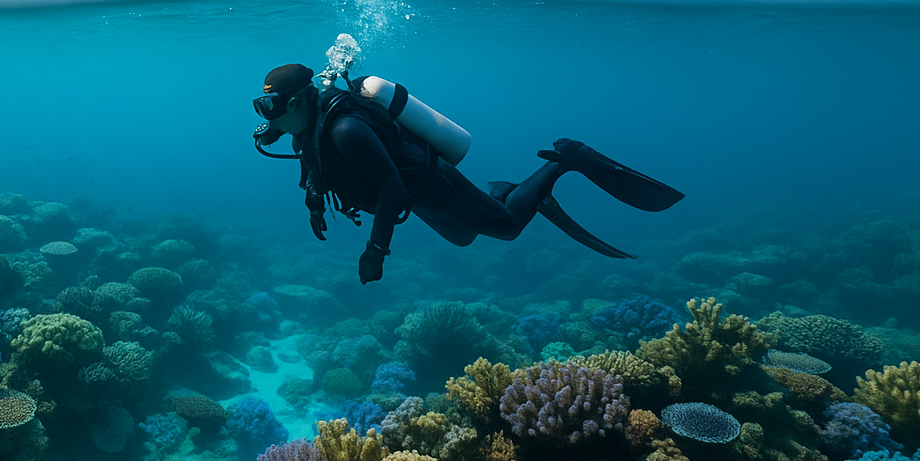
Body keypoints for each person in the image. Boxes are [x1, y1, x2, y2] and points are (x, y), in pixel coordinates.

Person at [252, 63, 684, 284]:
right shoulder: (304, 124)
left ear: (296, 103)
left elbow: (389, 185)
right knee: (463, 236)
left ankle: (568, 159)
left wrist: (375, 251)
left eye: (271, 109)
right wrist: (314, 203)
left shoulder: (345, 130)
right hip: (416, 197)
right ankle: (505, 192)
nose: (267, 120)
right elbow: (311, 159)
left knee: (509, 228)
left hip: (426, 182)